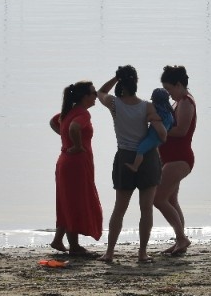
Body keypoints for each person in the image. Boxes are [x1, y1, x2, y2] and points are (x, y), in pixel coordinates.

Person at [97, 65, 168, 264]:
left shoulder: (114, 103)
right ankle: (142, 253)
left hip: (125, 157)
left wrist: (114, 78)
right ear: (136, 82)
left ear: (121, 83)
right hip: (148, 157)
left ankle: (110, 252)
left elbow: (100, 92)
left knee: (119, 208)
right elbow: (162, 133)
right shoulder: (147, 106)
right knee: (146, 208)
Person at [49, 80, 103, 256]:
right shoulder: (82, 114)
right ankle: (75, 246)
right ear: (85, 97)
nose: (96, 96)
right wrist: (78, 145)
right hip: (76, 162)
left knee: (67, 200)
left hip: (65, 159)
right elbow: (74, 127)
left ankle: (58, 240)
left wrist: (65, 138)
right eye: (93, 93)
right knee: (75, 202)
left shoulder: (68, 112)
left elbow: (53, 122)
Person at [155, 64, 197, 256]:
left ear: (179, 85)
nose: (169, 93)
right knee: (171, 199)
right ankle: (180, 240)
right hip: (171, 158)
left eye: (170, 89)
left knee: (158, 198)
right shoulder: (178, 102)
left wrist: (158, 130)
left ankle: (182, 238)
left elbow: (181, 130)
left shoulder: (186, 102)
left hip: (180, 158)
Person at [124, 88, 176, 173]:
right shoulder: (169, 113)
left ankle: (135, 166)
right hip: (157, 138)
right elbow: (170, 125)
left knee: (141, 149)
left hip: (153, 137)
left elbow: (154, 118)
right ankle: (157, 162)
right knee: (153, 149)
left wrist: (149, 118)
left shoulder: (160, 113)